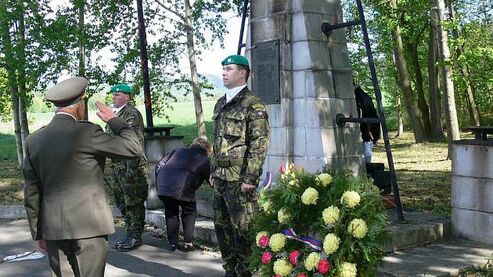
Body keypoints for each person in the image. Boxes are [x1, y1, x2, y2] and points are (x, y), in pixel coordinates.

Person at [23, 77, 142, 277]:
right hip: (89, 228)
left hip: (53, 229)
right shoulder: (87, 133)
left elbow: (31, 192)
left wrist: (38, 232)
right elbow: (133, 147)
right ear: (80, 105)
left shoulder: (33, 140)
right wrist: (114, 120)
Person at [212, 54, 270, 277]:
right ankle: (230, 269)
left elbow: (259, 143)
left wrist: (250, 178)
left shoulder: (252, 105)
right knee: (222, 227)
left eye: (229, 69)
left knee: (244, 230)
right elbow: (217, 141)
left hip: (240, 178)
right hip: (220, 177)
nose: (224, 73)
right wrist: (212, 170)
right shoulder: (221, 102)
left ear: (243, 73)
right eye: (223, 69)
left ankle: (246, 271)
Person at [105, 83, 149, 252]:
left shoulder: (131, 113)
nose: (114, 97)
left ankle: (135, 235)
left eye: (118, 94)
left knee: (133, 202)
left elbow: (129, 139)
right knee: (121, 200)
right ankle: (130, 231)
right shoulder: (112, 115)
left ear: (127, 97)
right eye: (113, 94)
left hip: (131, 165)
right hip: (117, 165)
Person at [155, 137, 212, 252]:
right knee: (189, 212)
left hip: (164, 185)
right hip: (184, 187)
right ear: (207, 150)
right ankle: (188, 243)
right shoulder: (204, 159)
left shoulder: (176, 151)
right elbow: (211, 180)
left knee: (171, 212)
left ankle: (172, 244)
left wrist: (161, 181)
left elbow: (159, 165)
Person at [354, 85, 381, 163]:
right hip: (368, 127)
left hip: (367, 127)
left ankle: (367, 166)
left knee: (367, 149)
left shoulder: (360, 96)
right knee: (367, 148)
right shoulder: (364, 96)